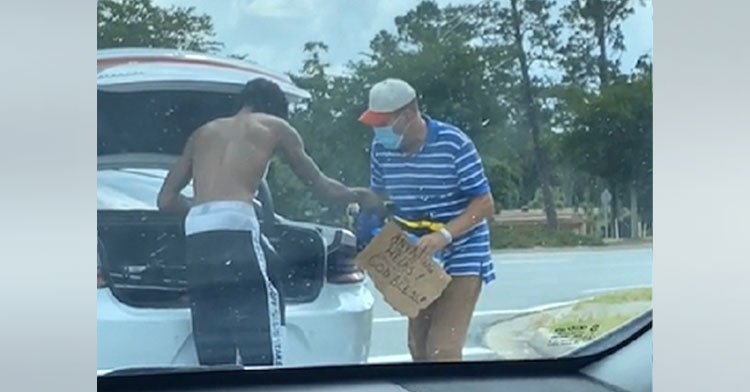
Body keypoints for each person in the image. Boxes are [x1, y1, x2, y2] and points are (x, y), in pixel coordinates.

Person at [156, 78, 382, 367]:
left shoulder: (202, 133)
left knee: (212, 333)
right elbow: (322, 188)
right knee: (261, 330)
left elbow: (166, 201)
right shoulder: (275, 127)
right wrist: (362, 196)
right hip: (238, 225)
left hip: (197, 230)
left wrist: (205, 212)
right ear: (276, 108)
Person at [358, 78, 497, 362]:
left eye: (384, 123)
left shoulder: (453, 144)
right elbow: (379, 196)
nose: (378, 131)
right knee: (419, 347)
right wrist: (365, 221)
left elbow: (484, 203)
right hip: (415, 250)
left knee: (442, 349)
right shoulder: (381, 149)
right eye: (374, 124)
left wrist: (444, 236)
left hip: (462, 246)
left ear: (408, 115)